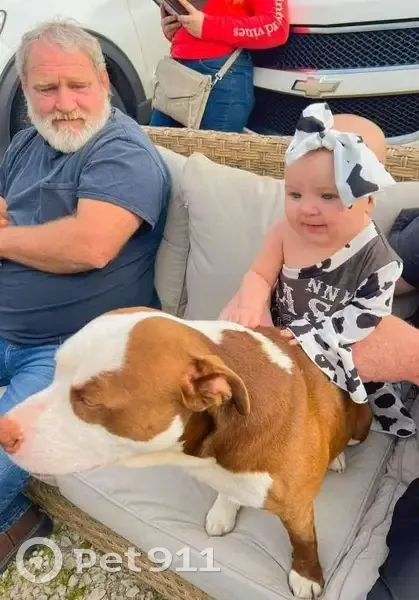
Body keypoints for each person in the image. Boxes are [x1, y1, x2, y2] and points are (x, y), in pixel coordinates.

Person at [0, 19, 170, 573]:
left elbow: (90, 245)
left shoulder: (120, 152)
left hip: (65, 350)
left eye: (77, 85)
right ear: (26, 92)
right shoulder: (27, 142)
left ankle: (15, 521)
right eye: (46, 89)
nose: (64, 103)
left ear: (103, 81)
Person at [220, 102, 415, 437]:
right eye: (295, 194)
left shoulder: (378, 259)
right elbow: (259, 275)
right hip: (279, 331)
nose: (308, 209)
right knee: (239, 359)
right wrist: (251, 305)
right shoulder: (285, 232)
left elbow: (367, 316)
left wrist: (313, 337)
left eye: (328, 196)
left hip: (335, 344)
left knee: (326, 406)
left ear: (369, 200)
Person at [150, 0, 289, 132]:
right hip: (178, 74)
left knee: (206, 150)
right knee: (153, 147)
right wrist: (175, 29)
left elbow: (277, 26)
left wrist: (207, 26)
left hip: (219, 77)